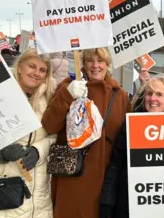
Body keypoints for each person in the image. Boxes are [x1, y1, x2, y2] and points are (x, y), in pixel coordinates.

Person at [0, 48, 57, 218]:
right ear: (20, 67)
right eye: (32, 66)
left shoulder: (50, 97)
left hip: (36, 190)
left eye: (42, 70)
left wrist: (39, 150)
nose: (36, 73)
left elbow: (55, 135)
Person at [42, 47, 132, 218]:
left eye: (101, 61)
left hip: (107, 183)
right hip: (74, 177)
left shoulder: (119, 95)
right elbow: (50, 126)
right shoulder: (68, 87)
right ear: (82, 63)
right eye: (90, 60)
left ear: (108, 64)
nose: (95, 65)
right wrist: (67, 96)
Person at [99, 75, 164, 218]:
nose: (152, 99)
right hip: (132, 205)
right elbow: (116, 164)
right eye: (149, 93)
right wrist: (107, 200)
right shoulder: (130, 125)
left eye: (159, 94)